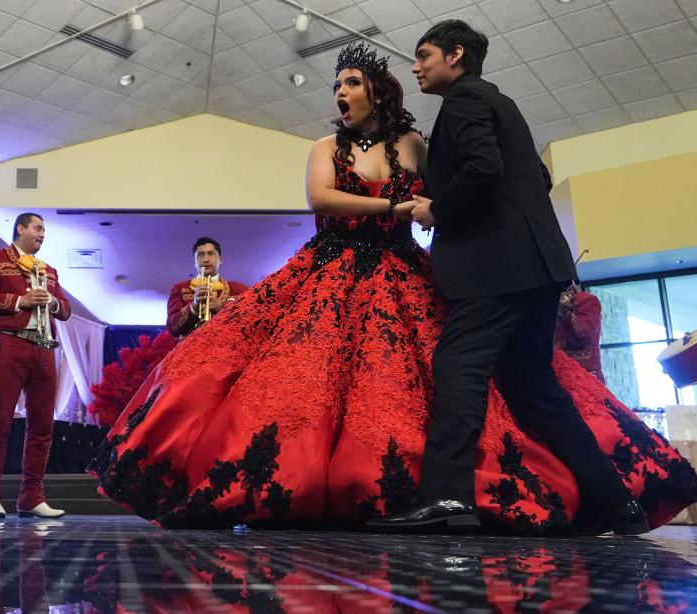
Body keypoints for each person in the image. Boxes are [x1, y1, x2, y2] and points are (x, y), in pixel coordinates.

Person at [88, 41, 697, 534]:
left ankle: (465, 493)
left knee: (456, 375)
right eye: (336, 86)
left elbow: (452, 193)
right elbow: (320, 198)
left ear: (376, 91)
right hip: (329, 273)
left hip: (406, 273)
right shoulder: (324, 146)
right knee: (293, 377)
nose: (341, 93)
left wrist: (439, 211)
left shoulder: (415, 143)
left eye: (351, 82)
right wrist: (395, 209)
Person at [369, 20, 652, 534]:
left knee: (457, 364)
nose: (415, 66)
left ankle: (447, 498)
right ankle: (616, 504)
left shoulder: (462, 101)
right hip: (539, 266)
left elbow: (482, 167)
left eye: (424, 55)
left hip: (497, 268)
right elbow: (537, 178)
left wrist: (439, 210)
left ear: (455, 55)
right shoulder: (501, 102)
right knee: (533, 385)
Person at [0, 212, 71, 519]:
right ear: (21, 228)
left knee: (43, 425)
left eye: (44, 230)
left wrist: (51, 303)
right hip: (11, 341)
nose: (43, 234)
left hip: (43, 347)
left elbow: (65, 309)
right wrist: (21, 300)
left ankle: (31, 496)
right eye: (38, 228)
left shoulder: (49, 270)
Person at [166, 237, 248, 338]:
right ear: (194, 261)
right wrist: (194, 307)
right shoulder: (179, 288)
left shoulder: (240, 289)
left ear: (220, 259)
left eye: (211, 253)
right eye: (200, 255)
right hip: (190, 351)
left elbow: (249, 324)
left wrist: (222, 308)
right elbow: (172, 328)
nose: (206, 259)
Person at [555, 282, 605, 383]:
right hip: (553, 378)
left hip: (584, 380)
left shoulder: (586, 301)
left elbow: (584, 336)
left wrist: (565, 312)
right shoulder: (540, 306)